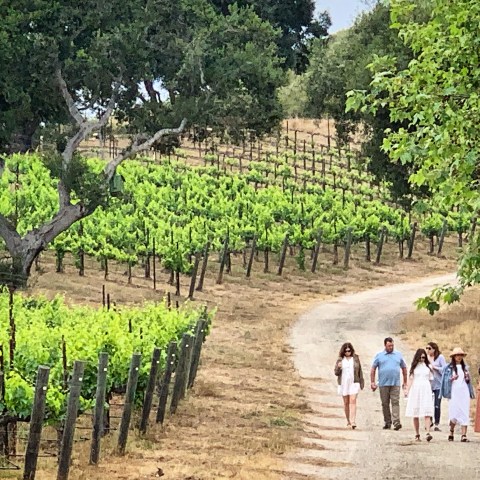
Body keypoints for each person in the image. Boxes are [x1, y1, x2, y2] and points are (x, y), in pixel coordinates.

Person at [371, 337, 408, 430]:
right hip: (383, 383)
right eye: (389, 346)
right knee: (385, 403)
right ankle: (387, 422)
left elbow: (404, 367)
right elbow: (373, 368)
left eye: (392, 345)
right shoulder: (379, 355)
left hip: (395, 383)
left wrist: (405, 381)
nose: (391, 347)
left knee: (395, 402)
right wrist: (372, 382)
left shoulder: (398, 355)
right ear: (385, 345)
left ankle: (396, 422)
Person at [440, 347, 475, 442]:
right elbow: (444, 381)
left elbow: (468, 382)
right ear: (454, 357)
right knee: (453, 413)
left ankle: (464, 435)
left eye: (460, 355)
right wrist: (452, 379)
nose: (459, 357)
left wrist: (468, 378)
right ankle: (451, 431)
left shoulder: (465, 368)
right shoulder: (448, 368)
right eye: (457, 355)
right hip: (454, 392)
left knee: (464, 412)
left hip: (464, 391)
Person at [404, 349, 434, 441]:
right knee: (415, 412)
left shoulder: (428, 366)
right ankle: (417, 434)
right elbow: (410, 379)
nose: (422, 359)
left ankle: (428, 432)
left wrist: (431, 391)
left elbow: (431, 379)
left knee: (427, 412)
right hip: (416, 389)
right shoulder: (413, 367)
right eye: (421, 357)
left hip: (425, 389)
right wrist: (407, 390)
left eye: (424, 357)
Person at [334, 342, 364, 429]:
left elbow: (360, 371)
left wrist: (361, 382)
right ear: (343, 351)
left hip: (354, 382)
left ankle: (353, 421)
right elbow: (336, 373)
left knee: (353, 401)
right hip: (344, 383)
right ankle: (348, 421)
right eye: (346, 351)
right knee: (346, 403)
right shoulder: (340, 360)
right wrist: (338, 367)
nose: (348, 352)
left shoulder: (355, 358)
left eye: (349, 350)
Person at [426, 341, 447, 430]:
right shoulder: (426, 358)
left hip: (438, 384)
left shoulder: (440, 357)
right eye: (426, 348)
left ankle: (437, 423)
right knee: (428, 403)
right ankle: (429, 421)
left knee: (437, 404)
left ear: (434, 349)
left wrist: (435, 368)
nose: (428, 350)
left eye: (429, 348)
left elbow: (445, 369)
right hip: (429, 384)